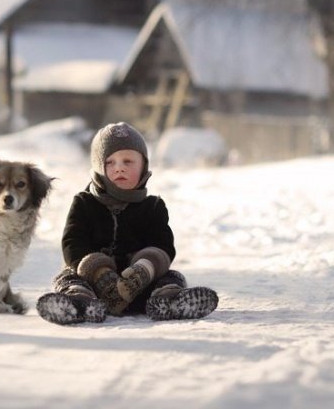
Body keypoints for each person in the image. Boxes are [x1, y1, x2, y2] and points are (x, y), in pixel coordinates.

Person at [36, 121, 218, 325]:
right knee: (67, 276)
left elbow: (163, 245)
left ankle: (167, 301)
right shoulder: (84, 203)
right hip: (94, 285)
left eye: (128, 162)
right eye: (110, 163)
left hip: (139, 286)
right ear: (98, 167)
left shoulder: (154, 206)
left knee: (172, 276)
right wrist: (98, 272)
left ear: (143, 166)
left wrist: (145, 268)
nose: (119, 168)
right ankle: (79, 303)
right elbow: (72, 244)